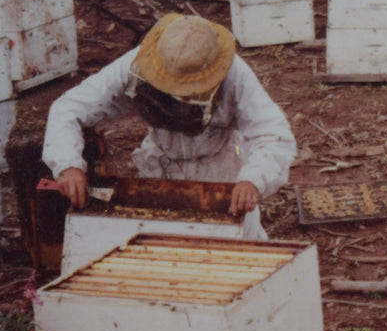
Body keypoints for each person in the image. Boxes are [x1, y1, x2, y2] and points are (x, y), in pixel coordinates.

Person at [43, 13, 297, 238]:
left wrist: (252, 180)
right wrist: (67, 165)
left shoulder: (235, 75)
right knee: (163, 250)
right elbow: (68, 108)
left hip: (222, 171)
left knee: (241, 252)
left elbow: (273, 135)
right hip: (161, 169)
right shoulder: (135, 65)